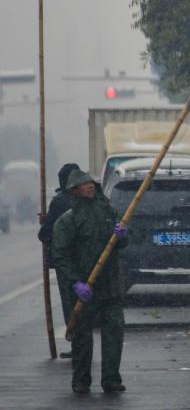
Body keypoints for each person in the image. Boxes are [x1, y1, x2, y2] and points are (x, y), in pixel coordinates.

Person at [51, 168, 129, 394]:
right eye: (84, 184)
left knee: (114, 334)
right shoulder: (68, 220)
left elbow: (123, 242)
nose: (90, 186)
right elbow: (61, 256)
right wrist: (76, 282)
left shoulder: (109, 212)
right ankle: (81, 380)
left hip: (110, 286)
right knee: (82, 337)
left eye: (91, 182)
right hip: (84, 288)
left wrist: (123, 235)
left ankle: (112, 379)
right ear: (74, 190)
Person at [37, 163, 80, 358]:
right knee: (83, 305)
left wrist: (46, 224)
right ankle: (82, 344)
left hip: (66, 263)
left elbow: (46, 234)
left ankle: (77, 344)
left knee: (70, 305)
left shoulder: (61, 201)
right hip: (87, 261)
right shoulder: (88, 199)